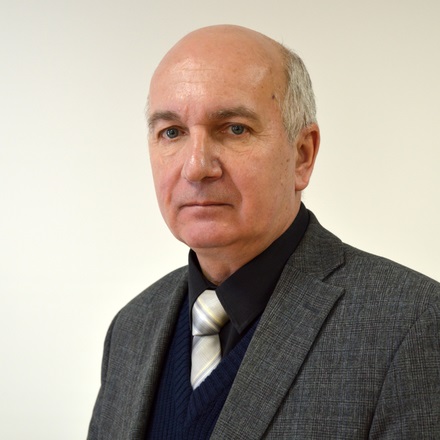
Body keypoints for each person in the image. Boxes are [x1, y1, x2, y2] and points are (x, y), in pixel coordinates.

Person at [88, 25, 440, 439]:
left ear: (302, 155)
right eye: (172, 132)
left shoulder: (411, 325)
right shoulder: (131, 329)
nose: (196, 167)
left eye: (234, 128)